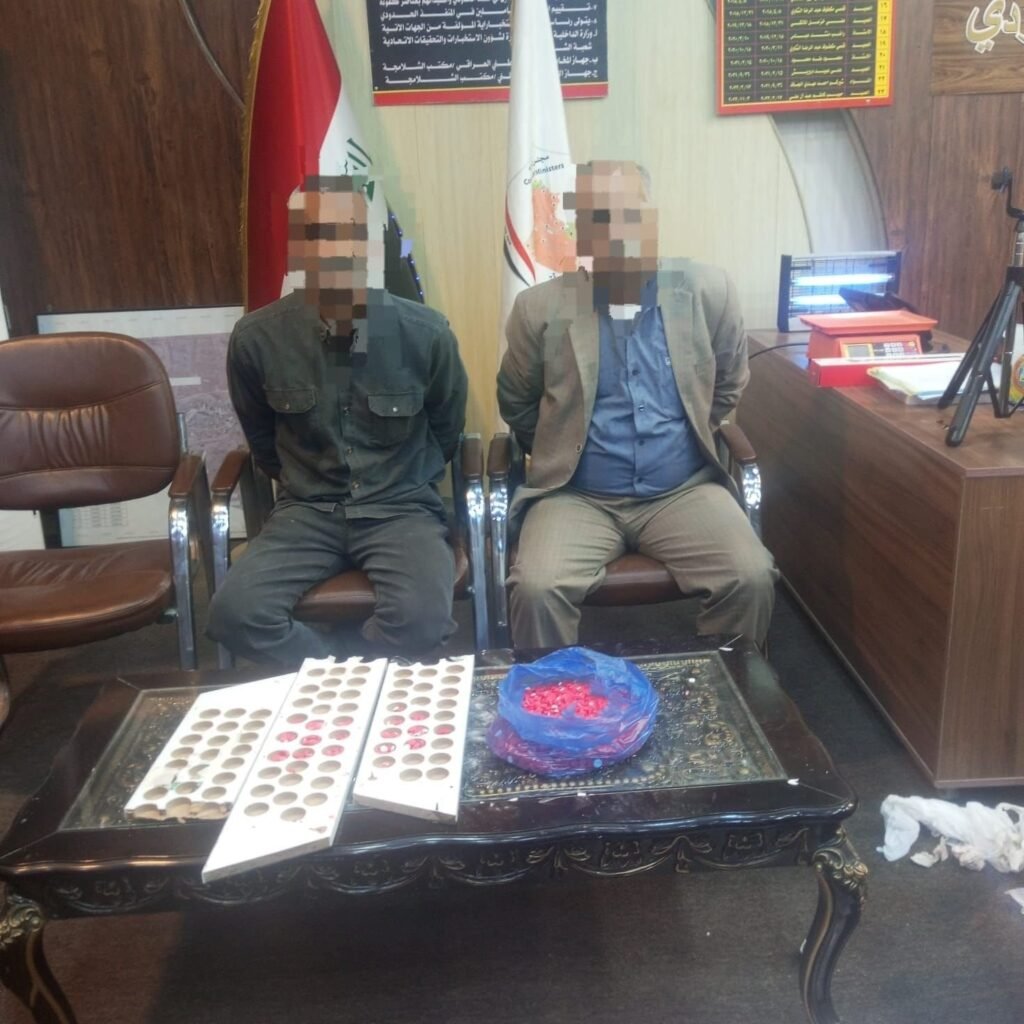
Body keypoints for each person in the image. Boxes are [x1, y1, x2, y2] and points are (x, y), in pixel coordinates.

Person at [497, 159, 777, 649]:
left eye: (631, 214)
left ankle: (725, 686)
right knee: (538, 588)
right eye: (599, 218)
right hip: (576, 495)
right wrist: (561, 448)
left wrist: (684, 440)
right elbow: (517, 403)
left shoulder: (708, 292)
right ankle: (554, 695)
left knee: (750, 576)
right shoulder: (539, 309)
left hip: (682, 491)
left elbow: (728, 383)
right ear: (581, 233)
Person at [207, 174, 468, 667]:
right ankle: (341, 673)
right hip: (308, 511)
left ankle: (347, 672)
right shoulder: (257, 338)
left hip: (400, 508)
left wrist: (405, 482)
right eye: (316, 234)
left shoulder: (425, 333)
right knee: (235, 615)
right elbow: (263, 439)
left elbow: (446, 428)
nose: (333, 249)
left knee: (422, 619)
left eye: (348, 232)